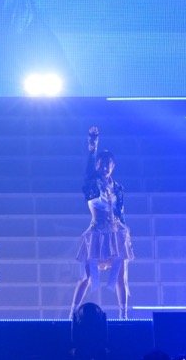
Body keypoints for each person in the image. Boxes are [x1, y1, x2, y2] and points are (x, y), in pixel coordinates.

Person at [70, 126, 133, 319]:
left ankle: (123, 315)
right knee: (86, 276)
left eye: (108, 164)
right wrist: (93, 141)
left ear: (113, 166)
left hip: (116, 233)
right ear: (97, 165)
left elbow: (120, 211)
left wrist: (126, 235)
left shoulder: (118, 187)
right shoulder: (92, 183)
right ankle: (72, 313)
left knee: (121, 276)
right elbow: (89, 164)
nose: (105, 167)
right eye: (102, 163)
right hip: (97, 232)